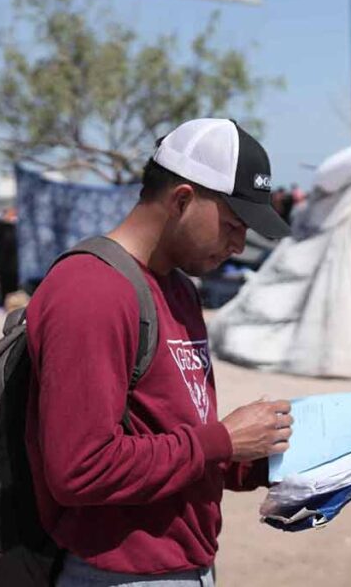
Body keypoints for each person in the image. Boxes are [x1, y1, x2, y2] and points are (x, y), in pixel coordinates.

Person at [25, 118, 294, 587]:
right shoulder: (92, 291)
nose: (238, 246)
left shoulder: (179, 290)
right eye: (233, 225)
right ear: (182, 200)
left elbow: (171, 436)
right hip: (119, 575)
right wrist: (223, 440)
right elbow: (80, 469)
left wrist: (260, 461)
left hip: (184, 568)